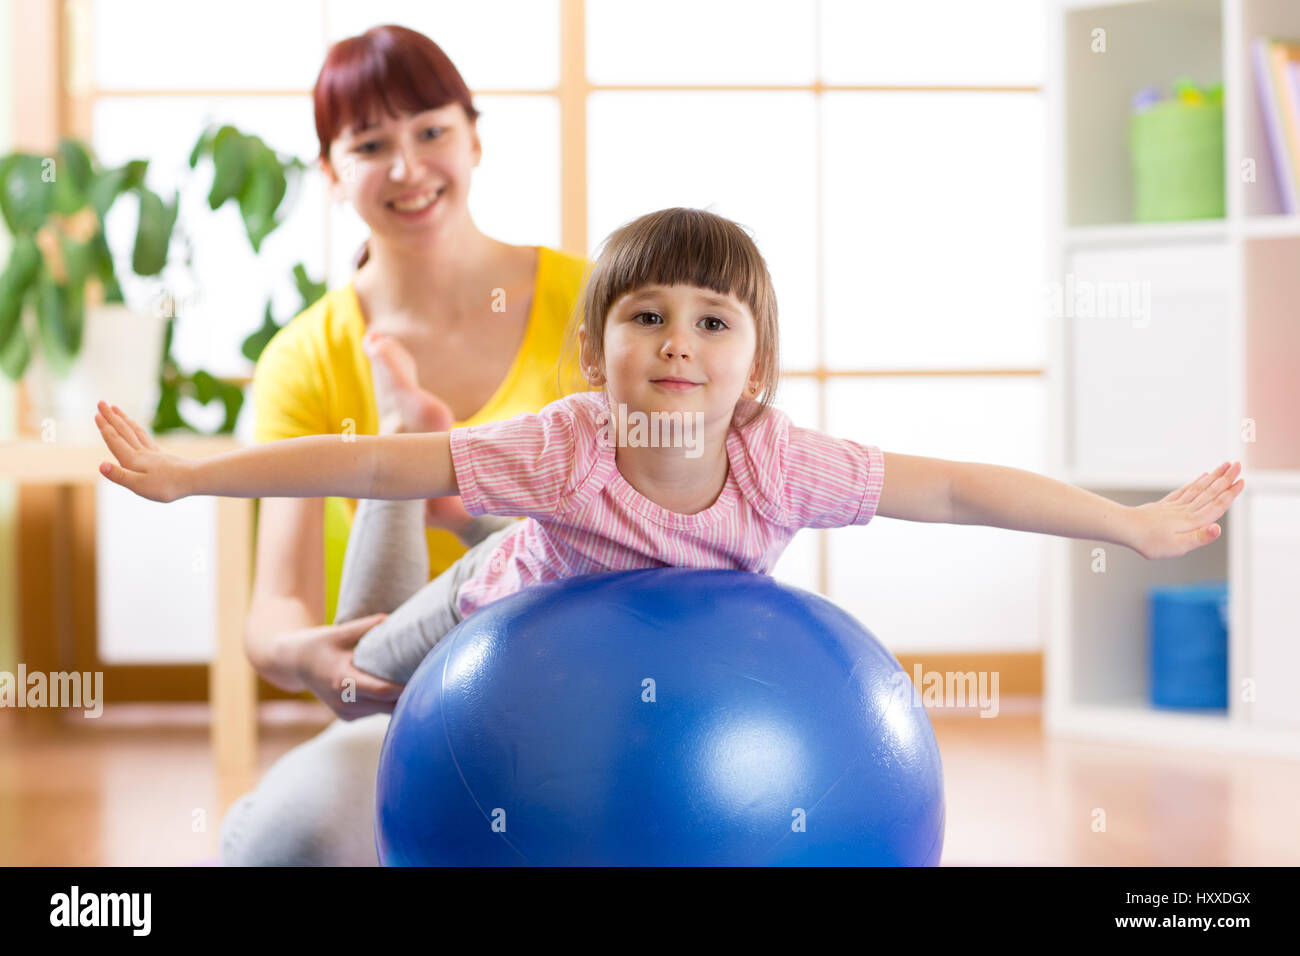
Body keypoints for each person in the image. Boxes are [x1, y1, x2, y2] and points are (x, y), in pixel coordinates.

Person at [97, 207, 1246, 817]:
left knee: (454, 487)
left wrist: (1129, 523)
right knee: (355, 685)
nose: (678, 343)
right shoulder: (565, 438)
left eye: (712, 320)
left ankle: (459, 482)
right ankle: (426, 435)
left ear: (757, 368)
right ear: (592, 355)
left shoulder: (781, 461)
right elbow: (375, 469)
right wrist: (196, 477)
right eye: (646, 316)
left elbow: (948, 487)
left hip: (602, 604)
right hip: (498, 607)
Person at [203, 25, 591, 864]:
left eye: (431, 130)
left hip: (593, 703)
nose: (408, 168)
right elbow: (276, 607)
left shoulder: (597, 306)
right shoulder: (304, 358)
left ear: (475, 137)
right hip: (406, 714)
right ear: (331, 174)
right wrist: (302, 655)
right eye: (371, 144)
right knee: (290, 841)